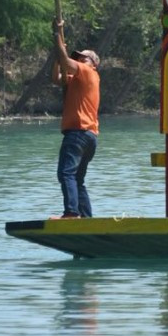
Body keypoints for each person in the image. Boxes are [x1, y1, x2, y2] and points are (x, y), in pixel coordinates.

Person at [51, 18, 100, 219]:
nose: (80, 60)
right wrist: (58, 55)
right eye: (78, 57)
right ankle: (86, 218)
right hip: (89, 136)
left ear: (94, 64)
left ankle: (71, 213)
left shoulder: (88, 73)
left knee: (66, 174)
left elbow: (67, 62)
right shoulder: (76, 80)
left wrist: (57, 35)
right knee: (77, 180)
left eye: (84, 58)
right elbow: (56, 79)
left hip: (78, 133)